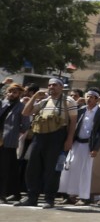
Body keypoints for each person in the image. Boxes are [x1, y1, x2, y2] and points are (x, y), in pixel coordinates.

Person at [18, 78, 77, 209]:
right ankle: (32, 197)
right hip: (39, 136)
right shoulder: (44, 101)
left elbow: (73, 121)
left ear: (61, 87)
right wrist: (34, 96)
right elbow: (26, 112)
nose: (51, 87)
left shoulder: (68, 101)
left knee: (52, 170)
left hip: (57, 137)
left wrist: (69, 139)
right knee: (32, 168)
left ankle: (49, 199)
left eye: (55, 85)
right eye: (49, 85)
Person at [58, 89, 100, 205]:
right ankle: (69, 195)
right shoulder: (80, 111)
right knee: (70, 169)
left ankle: (83, 197)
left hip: (88, 146)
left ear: (96, 99)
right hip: (76, 144)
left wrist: (96, 148)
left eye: (91, 97)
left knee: (85, 171)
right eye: (87, 96)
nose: (88, 99)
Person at [0, 84, 29, 202]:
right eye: (10, 91)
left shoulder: (21, 106)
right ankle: (15, 193)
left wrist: (16, 133)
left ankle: (2, 194)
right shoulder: (2, 103)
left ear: (20, 94)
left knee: (4, 169)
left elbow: (26, 124)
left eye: (15, 92)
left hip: (9, 141)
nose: (12, 94)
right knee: (11, 168)